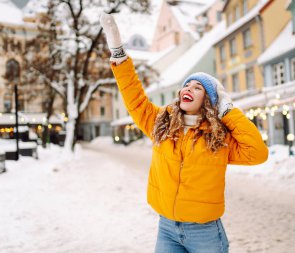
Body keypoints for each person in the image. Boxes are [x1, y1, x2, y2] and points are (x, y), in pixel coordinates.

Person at [100, 12, 268, 253]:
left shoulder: (218, 139)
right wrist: (118, 53)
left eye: (198, 87)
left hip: (205, 233)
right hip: (167, 228)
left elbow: (258, 153)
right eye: (187, 85)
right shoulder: (162, 125)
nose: (188, 88)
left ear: (210, 101)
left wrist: (228, 110)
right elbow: (135, 98)